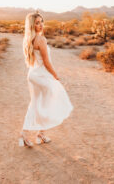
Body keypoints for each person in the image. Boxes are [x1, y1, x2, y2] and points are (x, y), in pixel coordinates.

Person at [18, 11, 74, 147]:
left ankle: (30, 135)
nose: (41, 25)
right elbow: (47, 63)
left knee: (36, 103)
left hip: (33, 75)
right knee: (50, 101)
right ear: (32, 25)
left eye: (42, 21)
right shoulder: (41, 39)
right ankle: (39, 133)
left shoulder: (29, 39)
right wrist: (56, 75)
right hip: (41, 75)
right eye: (37, 23)